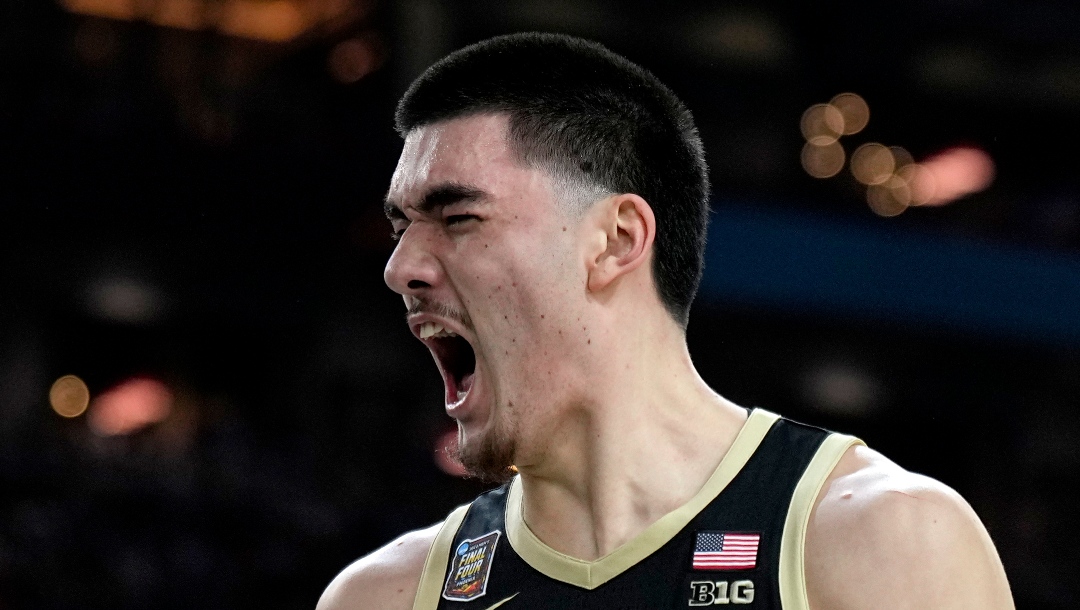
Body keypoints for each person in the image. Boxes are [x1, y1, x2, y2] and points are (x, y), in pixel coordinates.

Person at [317, 32, 1014, 609]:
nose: (400, 266)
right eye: (401, 226)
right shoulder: (381, 597)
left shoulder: (884, 543)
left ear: (617, 241)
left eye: (458, 217)